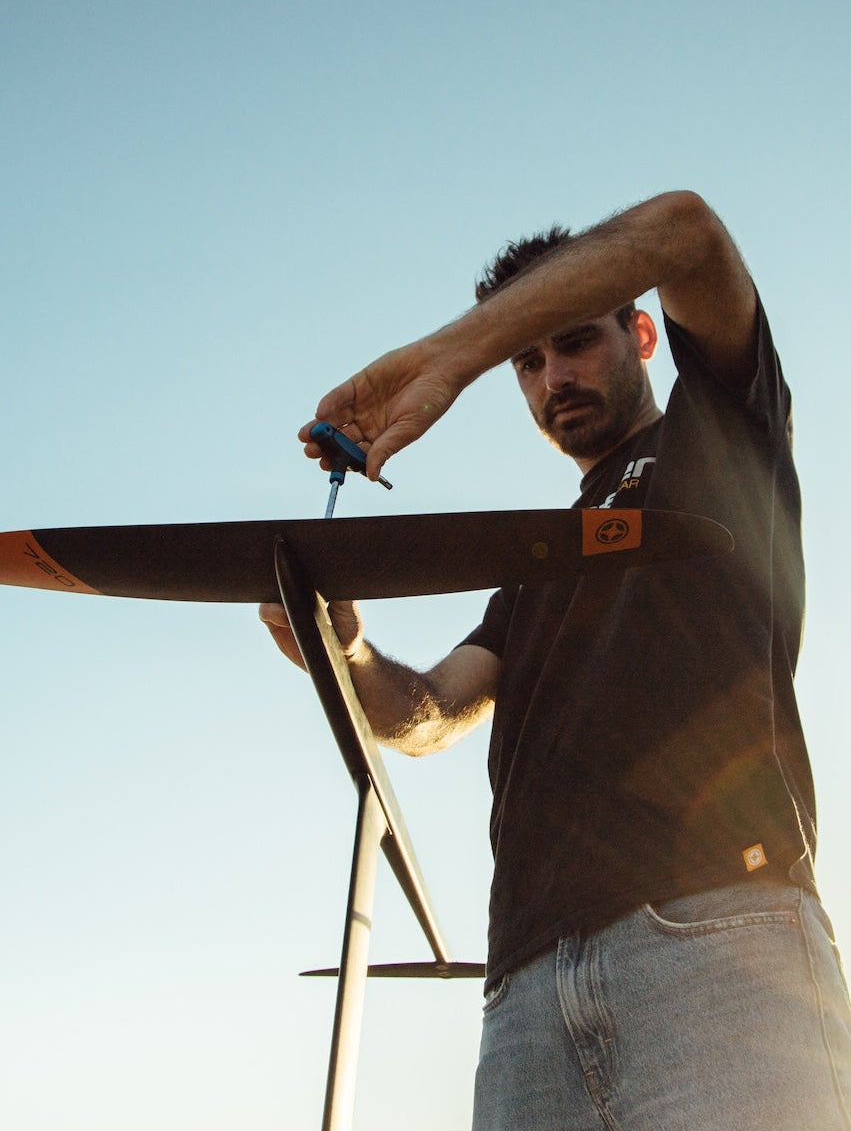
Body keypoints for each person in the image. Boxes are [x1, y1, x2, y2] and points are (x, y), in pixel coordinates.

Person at [260, 190, 851, 1129]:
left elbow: (686, 233)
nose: (549, 378)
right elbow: (428, 712)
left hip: (715, 936)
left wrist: (448, 356)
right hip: (526, 990)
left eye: (573, 341)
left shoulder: (721, 436)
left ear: (643, 337)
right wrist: (348, 651)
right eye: (524, 363)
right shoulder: (536, 562)